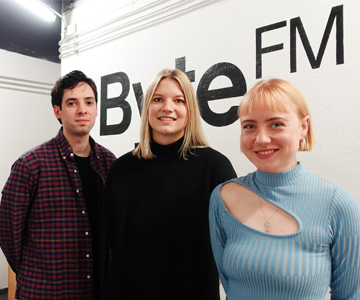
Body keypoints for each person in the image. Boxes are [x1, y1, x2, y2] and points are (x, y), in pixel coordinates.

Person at [209, 78, 360, 299]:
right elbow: (228, 285)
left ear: (303, 127)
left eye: (276, 124)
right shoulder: (222, 198)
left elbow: (350, 295)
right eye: (249, 126)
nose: (261, 139)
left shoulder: (338, 204)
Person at [101, 69, 236, 300]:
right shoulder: (121, 169)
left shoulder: (215, 168)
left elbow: (232, 245)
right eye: (158, 99)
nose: (167, 107)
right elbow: (112, 240)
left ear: (190, 109)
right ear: (147, 108)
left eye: (179, 100)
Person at [0, 70, 116, 300]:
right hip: (47, 292)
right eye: (72, 103)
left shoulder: (109, 163)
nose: (82, 109)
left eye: (89, 102)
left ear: (96, 109)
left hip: (97, 291)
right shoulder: (31, 165)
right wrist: (37, 273)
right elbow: (8, 235)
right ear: (58, 111)